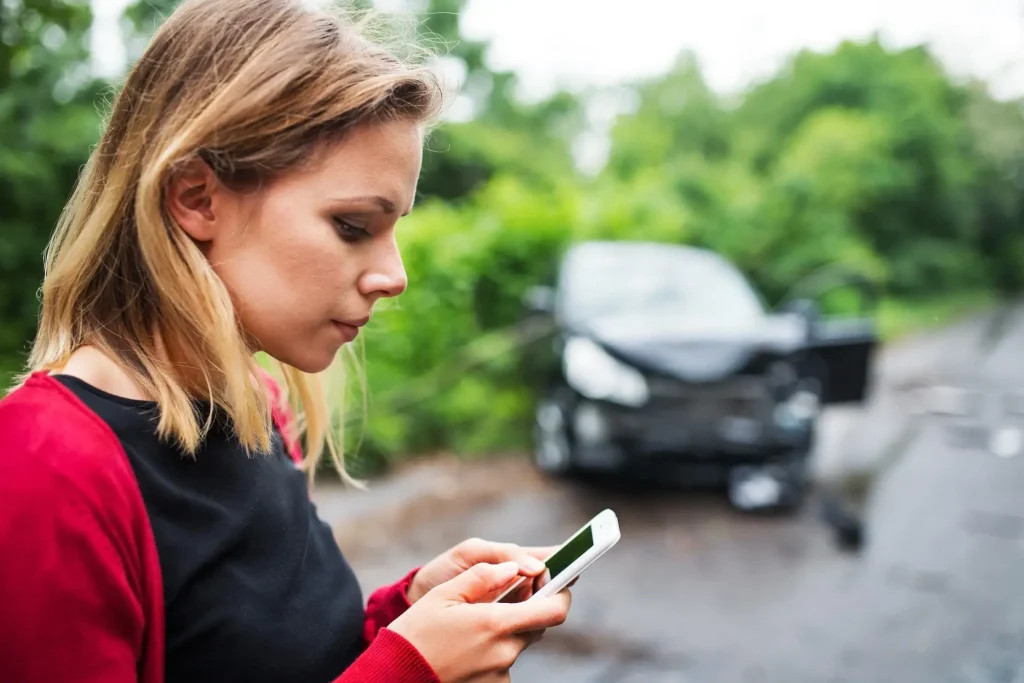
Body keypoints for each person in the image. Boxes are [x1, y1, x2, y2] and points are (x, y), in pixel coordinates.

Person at [0, 1, 572, 681]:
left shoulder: (257, 405)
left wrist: (404, 614)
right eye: (355, 226)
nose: (396, 275)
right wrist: (410, 671)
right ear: (197, 197)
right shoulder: (44, 469)